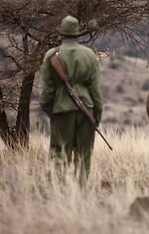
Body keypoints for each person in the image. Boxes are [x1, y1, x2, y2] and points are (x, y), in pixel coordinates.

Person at [40, 15, 103, 185]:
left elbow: (47, 92)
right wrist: (97, 113)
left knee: (59, 152)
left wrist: (50, 111)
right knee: (84, 153)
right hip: (87, 109)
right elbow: (96, 90)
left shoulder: (51, 55)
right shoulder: (89, 55)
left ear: (62, 33)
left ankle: (56, 191)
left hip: (61, 110)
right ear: (77, 34)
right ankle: (80, 190)